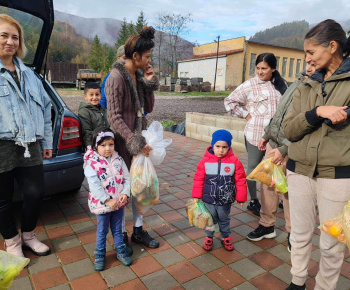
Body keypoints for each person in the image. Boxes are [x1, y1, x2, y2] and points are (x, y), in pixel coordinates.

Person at [283, 19, 350, 290]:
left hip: (337, 174)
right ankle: (297, 281)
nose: (307, 59)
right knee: (298, 234)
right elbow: (289, 128)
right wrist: (316, 113)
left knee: (332, 242)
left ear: (332, 47)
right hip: (299, 170)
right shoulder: (306, 84)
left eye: (311, 52)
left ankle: (325, 286)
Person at [247, 63, 316, 251]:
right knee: (268, 185)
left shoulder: (321, 87)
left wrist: (284, 149)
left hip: (291, 149)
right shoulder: (297, 82)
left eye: (313, 60)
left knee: (288, 192)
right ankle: (267, 225)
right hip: (274, 145)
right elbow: (280, 113)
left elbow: (310, 126)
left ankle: (292, 234)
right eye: (307, 60)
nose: (309, 65)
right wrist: (267, 135)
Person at [0, 14, 52, 257]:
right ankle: (12, 242)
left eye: (15, 37)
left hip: (30, 143)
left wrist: (48, 142)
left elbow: (46, 109)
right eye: (4, 36)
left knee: (35, 193)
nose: (10, 42)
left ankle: (29, 235)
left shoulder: (31, 75)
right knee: (2, 199)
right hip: (2, 146)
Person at [105, 26, 160, 249]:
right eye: (147, 57)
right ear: (135, 56)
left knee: (140, 188)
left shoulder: (137, 75)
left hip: (137, 143)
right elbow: (114, 118)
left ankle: (138, 231)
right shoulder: (115, 77)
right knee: (122, 191)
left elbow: (148, 107)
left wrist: (149, 83)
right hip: (122, 144)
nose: (149, 60)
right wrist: (134, 141)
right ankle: (120, 234)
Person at [224, 53, 287, 217]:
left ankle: (276, 199)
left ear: (273, 69)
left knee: (277, 169)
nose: (260, 72)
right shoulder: (250, 85)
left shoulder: (281, 85)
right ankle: (254, 201)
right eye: (258, 68)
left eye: (264, 68)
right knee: (253, 168)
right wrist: (246, 115)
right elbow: (229, 101)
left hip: (277, 136)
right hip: (256, 133)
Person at [84, 127, 132, 271]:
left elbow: (127, 178)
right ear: (95, 146)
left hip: (118, 203)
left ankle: (121, 251)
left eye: (111, 144)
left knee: (118, 229)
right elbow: (94, 186)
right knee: (102, 231)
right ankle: (100, 255)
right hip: (102, 205)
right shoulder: (91, 163)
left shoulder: (118, 159)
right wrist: (107, 200)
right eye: (103, 145)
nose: (107, 149)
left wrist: (125, 192)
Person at [192, 130, 247, 251]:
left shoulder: (234, 162)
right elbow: (198, 179)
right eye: (218, 146)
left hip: (225, 199)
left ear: (229, 147)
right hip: (209, 199)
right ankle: (209, 237)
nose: (221, 150)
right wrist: (197, 195)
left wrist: (241, 197)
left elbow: (241, 180)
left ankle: (226, 237)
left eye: (224, 147)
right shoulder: (205, 161)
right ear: (212, 145)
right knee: (209, 219)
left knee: (224, 219)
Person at [78, 82, 109, 148]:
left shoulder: (103, 109)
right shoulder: (84, 111)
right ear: (85, 96)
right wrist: (90, 148)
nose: (94, 97)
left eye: (97, 94)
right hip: (94, 145)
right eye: (91, 95)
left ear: (101, 96)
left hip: (106, 144)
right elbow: (86, 132)